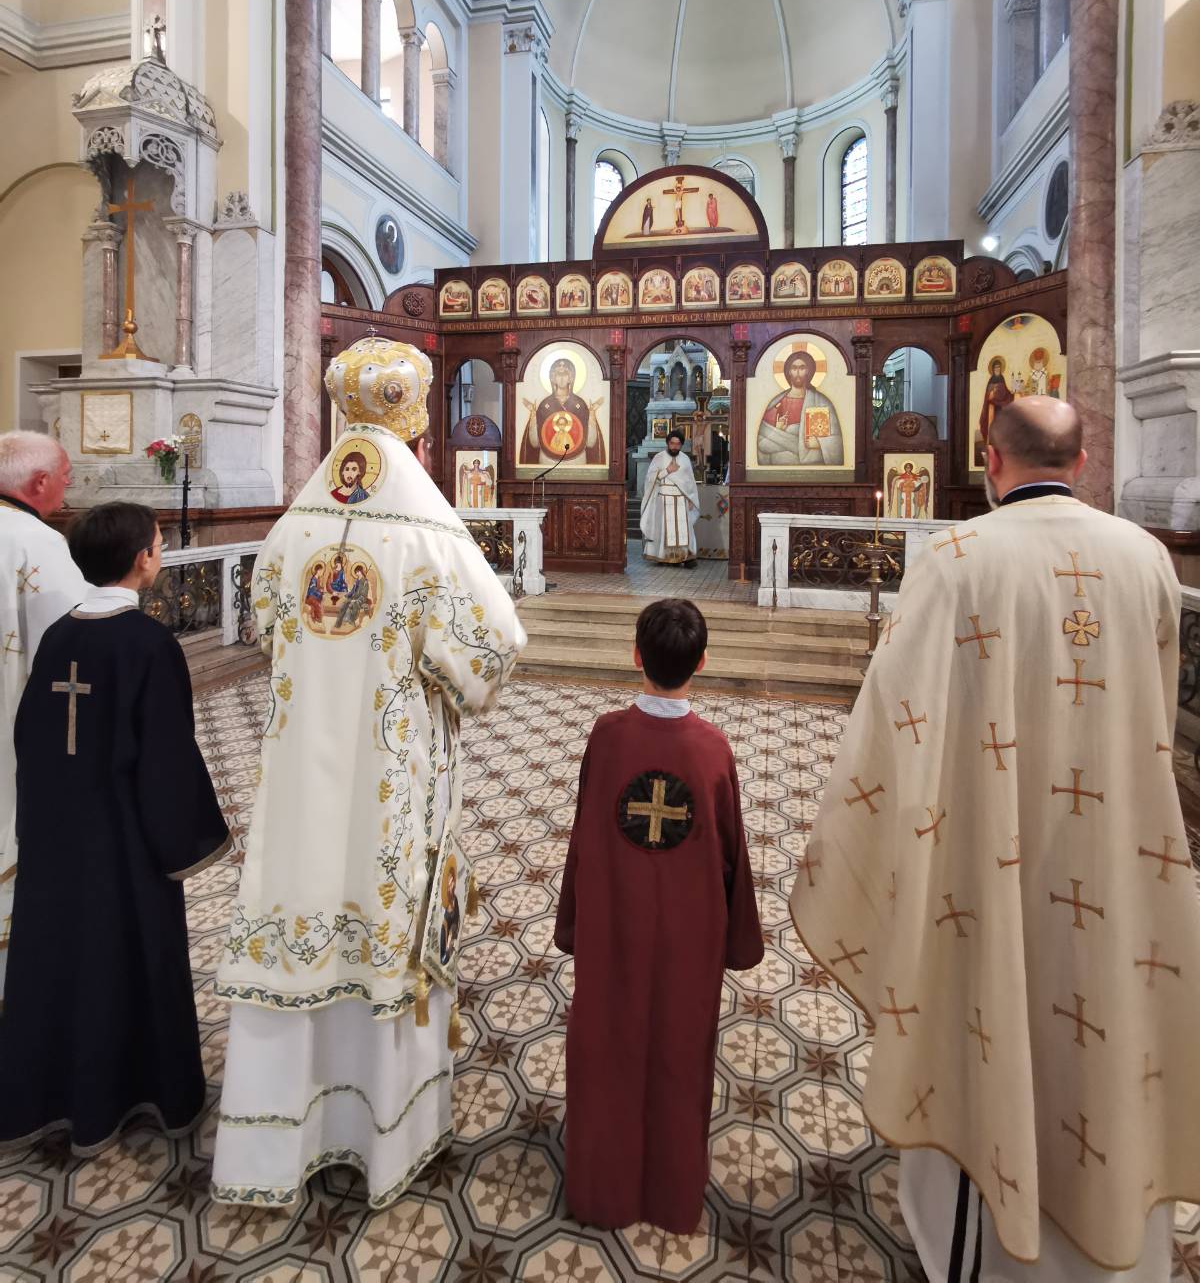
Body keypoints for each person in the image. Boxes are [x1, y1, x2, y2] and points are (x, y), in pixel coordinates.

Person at [789, 397, 1200, 1281]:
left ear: (990, 460)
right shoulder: (1147, 558)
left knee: (986, 1012)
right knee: (1112, 1023)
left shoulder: (957, 560)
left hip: (988, 850)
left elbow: (897, 725)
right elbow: (1158, 709)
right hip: (1119, 855)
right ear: (1084, 461)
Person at [213, 337, 525, 1210]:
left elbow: (264, 627)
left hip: (297, 779)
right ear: (415, 423)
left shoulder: (294, 528)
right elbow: (494, 649)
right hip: (390, 778)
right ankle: (384, 1134)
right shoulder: (426, 532)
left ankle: (278, 1138)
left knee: (299, 896)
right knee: (383, 903)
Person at [0, 502, 229, 1152]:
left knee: (61, 958)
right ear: (143, 559)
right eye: (158, 543)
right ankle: (140, 1092)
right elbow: (166, 756)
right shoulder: (149, 643)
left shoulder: (58, 637)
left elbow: (29, 736)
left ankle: (52, 1096)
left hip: (56, 836)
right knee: (127, 956)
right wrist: (182, 839)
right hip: (126, 842)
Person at [554, 599, 762, 1232]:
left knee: (606, 1047)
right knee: (678, 1053)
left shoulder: (606, 737)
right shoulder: (713, 750)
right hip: (687, 942)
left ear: (636, 656)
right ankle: (672, 1198)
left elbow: (585, 833)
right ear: (703, 662)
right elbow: (732, 853)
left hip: (613, 931)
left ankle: (600, 1192)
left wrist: (573, 919)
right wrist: (739, 937)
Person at [0, 431, 88, 1003]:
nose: (69, 485)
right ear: (38, 483)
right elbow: (75, 643)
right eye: (64, 475)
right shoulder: (37, 542)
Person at [757, 350, 844, 465]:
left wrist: (819, 443)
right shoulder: (776, 402)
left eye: (802, 368)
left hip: (813, 469)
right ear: (789, 371)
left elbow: (837, 441)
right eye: (794, 368)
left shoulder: (822, 402)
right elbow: (761, 443)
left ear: (808, 371)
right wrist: (777, 429)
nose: (798, 372)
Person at [518, 356, 606, 467]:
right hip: (548, 460)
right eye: (558, 374)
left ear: (571, 378)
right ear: (552, 378)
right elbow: (535, 442)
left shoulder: (580, 405)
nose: (561, 378)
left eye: (565, 374)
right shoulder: (545, 405)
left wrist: (592, 414)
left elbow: (590, 442)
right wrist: (533, 415)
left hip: (576, 460)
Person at [641, 430, 700, 567]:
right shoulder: (659, 458)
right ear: (668, 443)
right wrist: (667, 471)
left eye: (678, 444)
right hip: (663, 499)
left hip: (681, 499)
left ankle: (686, 557)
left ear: (681, 445)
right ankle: (663, 556)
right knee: (663, 529)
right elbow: (650, 479)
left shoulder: (685, 459)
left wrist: (691, 499)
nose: (675, 446)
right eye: (672, 443)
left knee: (684, 529)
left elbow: (690, 482)